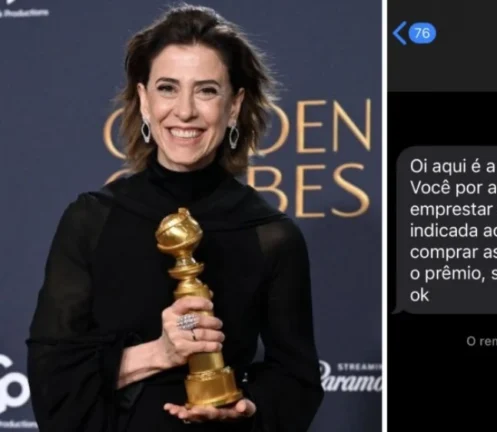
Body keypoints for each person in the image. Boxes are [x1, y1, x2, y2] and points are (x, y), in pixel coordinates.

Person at [25, 4, 323, 432]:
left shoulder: (271, 235)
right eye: (167, 88)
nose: (184, 111)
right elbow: (51, 376)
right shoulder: (91, 220)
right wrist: (160, 353)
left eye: (206, 91)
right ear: (144, 100)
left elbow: (298, 380)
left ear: (234, 106)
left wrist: (244, 408)